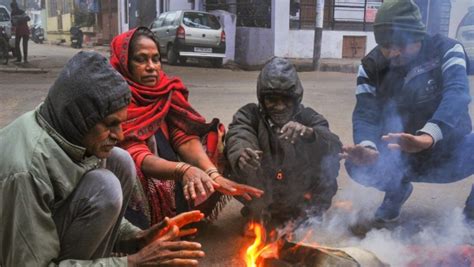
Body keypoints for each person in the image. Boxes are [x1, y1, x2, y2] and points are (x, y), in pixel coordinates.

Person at [0, 51, 208, 266]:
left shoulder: (65, 127)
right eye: (110, 124)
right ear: (81, 117)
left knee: (119, 159)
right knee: (104, 186)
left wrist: (138, 238)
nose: (120, 135)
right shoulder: (26, 171)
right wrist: (131, 263)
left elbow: (79, 215)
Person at [110, 27, 264, 229]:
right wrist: (183, 170)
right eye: (141, 59)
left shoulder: (166, 89)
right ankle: (143, 233)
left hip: (169, 164)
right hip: (139, 173)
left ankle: (187, 215)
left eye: (156, 59)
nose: (152, 67)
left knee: (214, 139)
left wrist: (212, 174)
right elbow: (136, 154)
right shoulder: (116, 97)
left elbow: (182, 134)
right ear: (124, 63)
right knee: (127, 167)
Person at [340, 0, 474, 224]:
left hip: (446, 152)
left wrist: (427, 137)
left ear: (417, 35)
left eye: (400, 44)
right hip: (398, 158)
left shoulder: (448, 50)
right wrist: (368, 146)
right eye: (385, 45)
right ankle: (397, 191)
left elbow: (457, 94)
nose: (392, 53)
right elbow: (365, 112)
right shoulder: (370, 65)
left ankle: (471, 216)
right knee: (355, 164)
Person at [225, 57, 342, 230]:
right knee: (227, 159)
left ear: (296, 99)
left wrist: (309, 134)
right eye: (272, 99)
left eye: (286, 99)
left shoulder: (308, 117)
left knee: (330, 161)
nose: (279, 107)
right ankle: (259, 212)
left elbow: (333, 144)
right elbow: (239, 133)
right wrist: (243, 153)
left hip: (300, 195)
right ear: (262, 99)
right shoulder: (249, 114)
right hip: (263, 193)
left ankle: (308, 215)